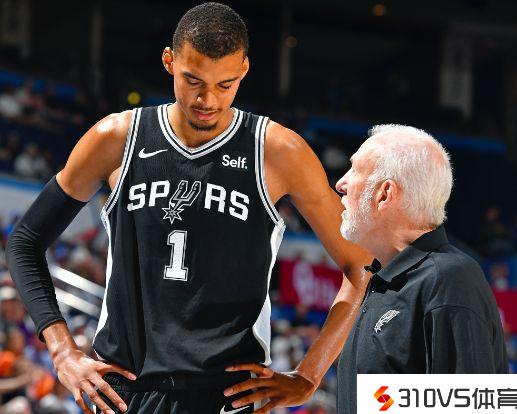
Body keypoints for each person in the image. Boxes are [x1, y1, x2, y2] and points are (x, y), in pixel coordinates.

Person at [6, 3, 372, 414]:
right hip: (125, 390)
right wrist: (62, 351)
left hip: (226, 395)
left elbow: (362, 266)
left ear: (245, 70)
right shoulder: (116, 138)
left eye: (225, 84)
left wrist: (311, 373)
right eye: (193, 80)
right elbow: (25, 241)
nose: (207, 99)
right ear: (169, 61)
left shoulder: (277, 151)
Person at [334, 124, 508, 414]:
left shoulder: (449, 279)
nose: (341, 183)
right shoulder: (385, 281)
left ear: (385, 193)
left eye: (354, 170)